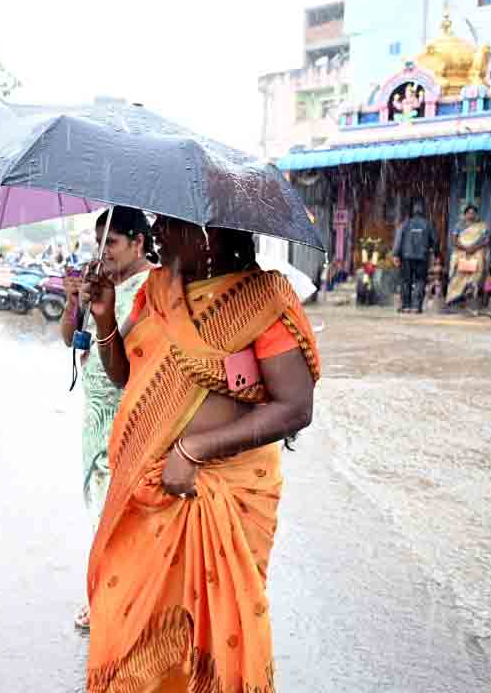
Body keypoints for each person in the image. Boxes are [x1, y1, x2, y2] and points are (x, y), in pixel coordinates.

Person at [79, 217, 320, 693]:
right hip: (146, 487)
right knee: (130, 623)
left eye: (171, 225)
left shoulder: (262, 300)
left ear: (212, 233)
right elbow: (126, 374)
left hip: (223, 491)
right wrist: (105, 319)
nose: (158, 233)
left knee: (212, 635)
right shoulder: (158, 290)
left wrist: (193, 449)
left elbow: (295, 406)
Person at [60, 207, 156, 631]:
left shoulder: (151, 288)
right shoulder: (103, 285)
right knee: (101, 506)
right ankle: (111, 592)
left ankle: (115, 599)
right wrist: (73, 302)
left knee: (123, 512)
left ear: (139, 242)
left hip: (130, 408)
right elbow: (72, 339)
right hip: (96, 413)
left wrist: (106, 312)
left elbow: (128, 353)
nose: (104, 252)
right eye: (98, 243)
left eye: (112, 242)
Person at [391, 202, 439, 313]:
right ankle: (416, 307)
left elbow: (398, 240)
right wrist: (436, 254)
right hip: (422, 257)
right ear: (423, 212)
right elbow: (435, 241)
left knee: (405, 281)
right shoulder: (428, 224)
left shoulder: (405, 224)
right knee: (420, 281)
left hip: (406, 257)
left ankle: (406, 306)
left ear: (412, 212)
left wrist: (395, 254)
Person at [445, 204, 489, 312]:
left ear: (476, 214)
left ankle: (468, 299)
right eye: (469, 213)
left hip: (476, 254)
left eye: (473, 213)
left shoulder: (482, 226)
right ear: (465, 214)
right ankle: (453, 301)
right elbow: (454, 240)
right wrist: (465, 248)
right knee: (457, 277)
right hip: (461, 253)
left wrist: (474, 248)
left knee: (474, 277)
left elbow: (486, 240)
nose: (471, 215)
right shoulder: (458, 226)